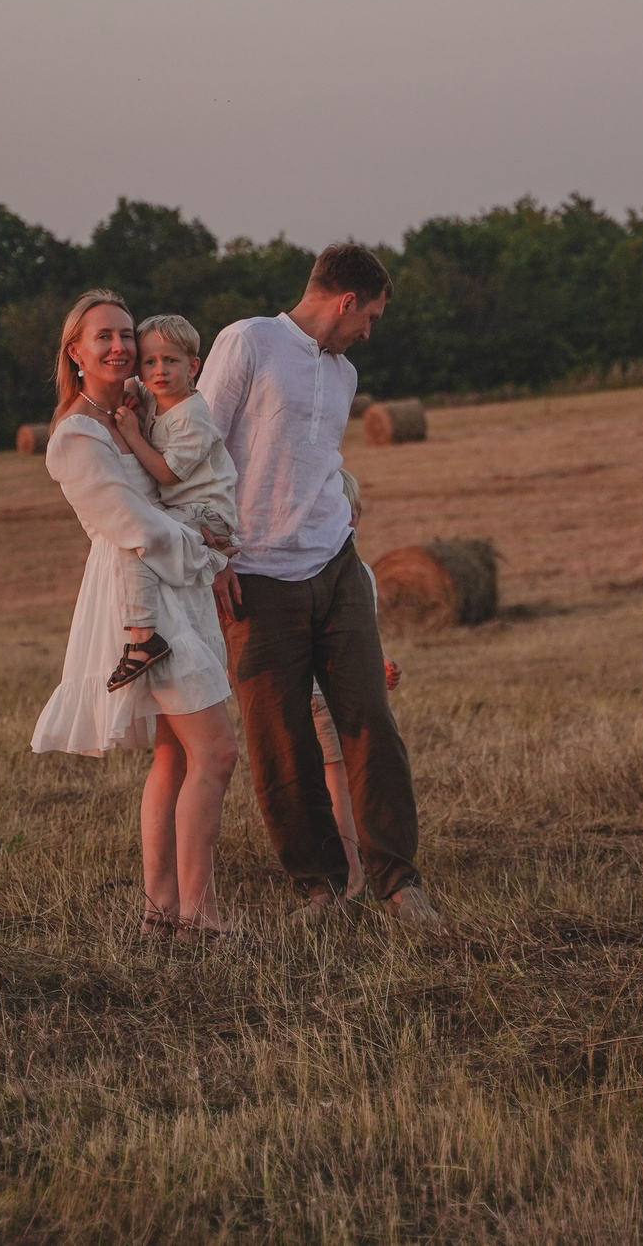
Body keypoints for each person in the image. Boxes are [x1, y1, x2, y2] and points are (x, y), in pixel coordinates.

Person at [202, 244, 442, 928]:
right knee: (279, 739)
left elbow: (316, 459)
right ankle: (321, 889)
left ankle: (399, 882)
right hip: (256, 574)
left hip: (335, 562)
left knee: (371, 718)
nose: (368, 330)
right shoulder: (249, 340)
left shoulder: (344, 374)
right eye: (369, 316)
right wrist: (214, 551)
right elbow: (201, 446)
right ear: (344, 301)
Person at [28, 290, 245, 939]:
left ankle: (161, 915)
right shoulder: (74, 435)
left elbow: (184, 474)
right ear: (75, 351)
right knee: (218, 751)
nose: (121, 346)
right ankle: (199, 916)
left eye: (127, 333)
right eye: (104, 337)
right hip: (140, 600)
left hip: (173, 588)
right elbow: (130, 524)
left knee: (176, 758)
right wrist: (207, 550)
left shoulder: (133, 408)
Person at [95, 314, 238, 692]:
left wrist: (130, 431)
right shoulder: (150, 394)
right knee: (139, 532)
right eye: (150, 362)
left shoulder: (194, 417)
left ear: (193, 366)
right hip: (183, 509)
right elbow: (115, 384)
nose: (159, 371)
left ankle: (144, 638)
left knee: (140, 537)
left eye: (171, 361)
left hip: (207, 510)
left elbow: (167, 473)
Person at [311, 467, 402, 899]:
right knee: (338, 783)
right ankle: (351, 877)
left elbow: (355, 634)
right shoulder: (329, 573)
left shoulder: (360, 575)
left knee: (340, 779)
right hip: (320, 692)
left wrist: (379, 660)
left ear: (356, 517)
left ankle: (344, 871)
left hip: (331, 686)